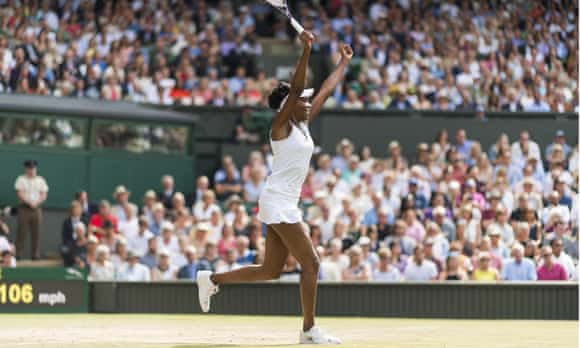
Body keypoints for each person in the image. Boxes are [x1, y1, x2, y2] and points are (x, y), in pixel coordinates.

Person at [197, 31, 350, 344]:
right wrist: (305, 49)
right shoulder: (279, 126)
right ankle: (309, 330)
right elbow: (296, 89)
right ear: (287, 105)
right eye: (300, 100)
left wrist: (343, 63)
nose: (307, 103)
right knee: (312, 264)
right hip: (278, 202)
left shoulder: (303, 125)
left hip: (282, 203)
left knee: (270, 270)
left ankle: (211, 278)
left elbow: (325, 90)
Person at [14, 160, 48, 259]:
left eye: (33, 168)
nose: (31, 170)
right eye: (29, 168)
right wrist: (29, 202)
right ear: (26, 169)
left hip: (37, 208)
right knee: (22, 232)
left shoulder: (41, 180)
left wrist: (37, 202)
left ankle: (35, 255)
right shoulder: (21, 179)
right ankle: (18, 254)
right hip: (24, 208)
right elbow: (20, 193)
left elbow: (44, 194)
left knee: (36, 232)